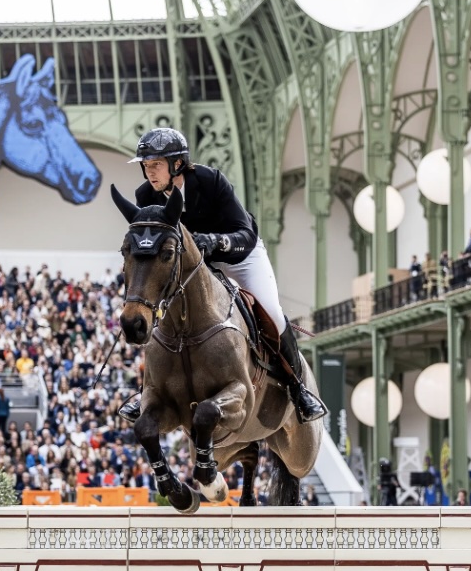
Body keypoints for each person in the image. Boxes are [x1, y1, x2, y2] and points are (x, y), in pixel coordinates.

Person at [117, 128, 326, 424]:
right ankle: (148, 391)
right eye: (146, 166)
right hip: (195, 267)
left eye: (156, 165)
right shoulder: (145, 196)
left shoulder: (210, 181)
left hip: (240, 256)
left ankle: (298, 389)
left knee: (274, 314)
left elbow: (246, 233)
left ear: (177, 163)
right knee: (162, 319)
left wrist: (216, 241)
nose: (150, 172)